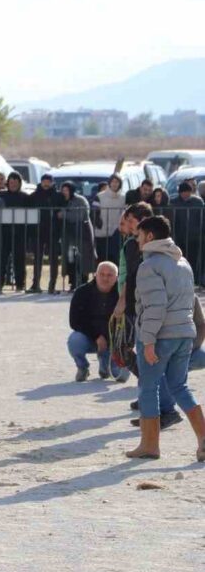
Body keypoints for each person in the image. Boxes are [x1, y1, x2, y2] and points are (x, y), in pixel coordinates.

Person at [126, 215, 205, 461]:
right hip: (184, 333)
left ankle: (150, 445)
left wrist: (148, 341)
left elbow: (155, 307)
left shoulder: (149, 266)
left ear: (149, 236)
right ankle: (204, 440)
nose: (136, 240)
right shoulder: (183, 262)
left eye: (138, 235)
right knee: (179, 387)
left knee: (148, 388)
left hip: (161, 336)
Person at [67, 261, 126, 382]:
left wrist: (113, 340)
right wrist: (97, 337)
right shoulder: (81, 292)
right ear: (95, 275)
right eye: (102, 274)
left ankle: (105, 365)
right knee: (74, 340)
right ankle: (82, 367)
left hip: (115, 340)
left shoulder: (123, 295)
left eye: (110, 275)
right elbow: (75, 321)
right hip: (89, 337)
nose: (105, 278)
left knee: (120, 376)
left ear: (117, 277)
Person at [59, 182, 97, 291]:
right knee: (70, 259)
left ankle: (83, 282)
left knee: (83, 259)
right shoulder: (62, 200)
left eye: (66, 190)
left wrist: (65, 214)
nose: (64, 192)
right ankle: (73, 282)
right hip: (68, 235)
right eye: (63, 190)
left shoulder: (81, 200)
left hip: (82, 233)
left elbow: (81, 215)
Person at [27, 173, 60, 293]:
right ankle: (35, 284)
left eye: (48, 181)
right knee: (37, 259)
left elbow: (61, 211)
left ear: (52, 183)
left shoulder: (58, 196)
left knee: (54, 260)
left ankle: (52, 285)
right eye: (44, 181)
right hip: (38, 231)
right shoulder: (33, 196)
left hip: (54, 231)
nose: (46, 184)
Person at [168, 181, 204, 282]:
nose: (186, 194)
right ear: (180, 192)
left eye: (188, 192)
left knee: (193, 259)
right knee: (179, 259)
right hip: (179, 236)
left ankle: (194, 279)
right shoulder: (174, 202)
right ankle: (180, 279)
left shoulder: (197, 202)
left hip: (194, 237)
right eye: (184, 192)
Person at [0, 171, 28, 291]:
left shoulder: (25, 197)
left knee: (19, 260)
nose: (13, 185)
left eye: (16, 182)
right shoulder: (1, 195)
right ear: (8, 183)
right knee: (2, 259)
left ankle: (20, 284)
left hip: (20, 233)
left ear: (20, 183)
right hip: (4, 232)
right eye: (11, 182)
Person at [94, 174, 125, 263]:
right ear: (109, 183)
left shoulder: (123, 198)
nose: (115, 184)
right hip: (101, 234)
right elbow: (94, 212)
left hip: (116, 233)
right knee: (102, 260)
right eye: (113, 182)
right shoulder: (99, 196)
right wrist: (98, 224)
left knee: (115, 260)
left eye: (117, 182)